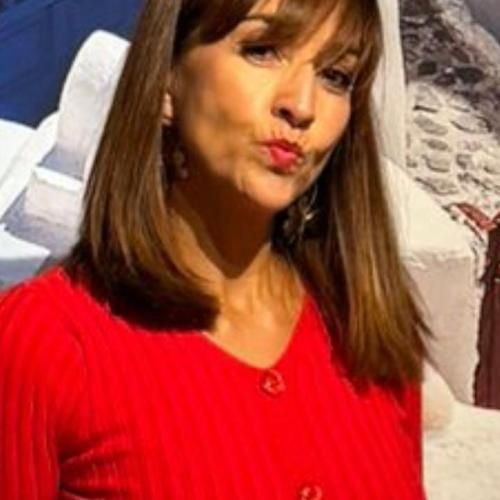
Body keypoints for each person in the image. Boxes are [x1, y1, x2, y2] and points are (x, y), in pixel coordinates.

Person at [0, 0, 430, 497]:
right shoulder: (43, 342)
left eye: (336, 76)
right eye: (262, 50)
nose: (301, 105)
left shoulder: (369, 326)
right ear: (167, 78)